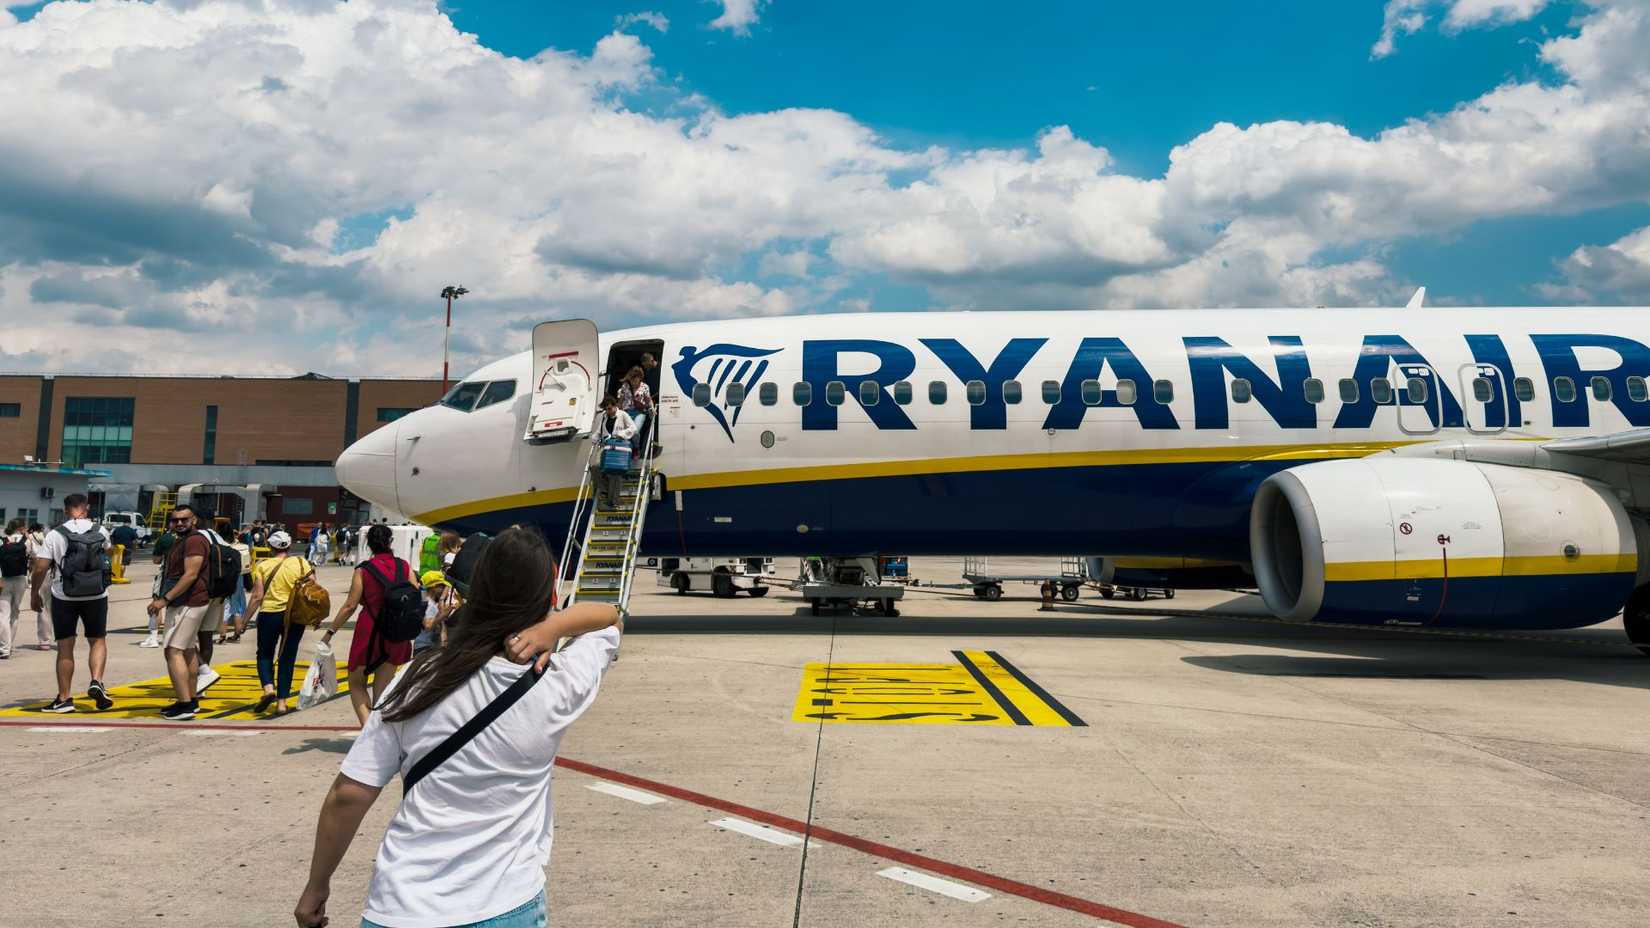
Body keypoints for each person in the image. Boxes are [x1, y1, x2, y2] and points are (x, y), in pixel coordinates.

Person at [293, 527, 622, 928]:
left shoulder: (418, 677)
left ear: (474, 592)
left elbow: (349, 794)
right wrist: (552, 628)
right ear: (546, 597)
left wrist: (317, 886)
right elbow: (610, 619)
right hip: (505, 904)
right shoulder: (557, 681)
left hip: (401, 906)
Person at [320, 524, 416, 727]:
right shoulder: (404, 566)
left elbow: (350, 605)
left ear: (368, 544)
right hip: (395, 631)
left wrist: (330, 632)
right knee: (382, 690)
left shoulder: (364, 570)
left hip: (370, 630)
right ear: (390, 542)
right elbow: (415, 594)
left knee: (356, 683)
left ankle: (368, 731)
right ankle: (382, 734)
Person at [29, 494, 114, 713]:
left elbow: (40, 567)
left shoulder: (56, 534)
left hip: (64, 595)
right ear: (86, 508)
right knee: (97, 640)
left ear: (66, 510)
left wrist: (35, 593)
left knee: (66, 647)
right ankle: (96, 680)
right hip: (97, 595)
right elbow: (109, 553)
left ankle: (65, 698)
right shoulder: (101, 531)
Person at [148, 504, 212, 720]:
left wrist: (164, 600)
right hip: (187, 602)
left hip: (190, 602)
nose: (179, 523)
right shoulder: (182, 541)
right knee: (187, 651)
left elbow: (190, 575)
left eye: (184, 519)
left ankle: (185, 704)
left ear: (194, 520)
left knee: (172, 651)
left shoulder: (194, 541)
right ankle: (190, 700)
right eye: (175, 520)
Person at [243, 530, 312, 715]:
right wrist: (315, 617)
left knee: (264, 654)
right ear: (289, 546)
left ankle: (268, 689)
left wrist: (244, 621)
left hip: (270, 614)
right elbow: (313, 590)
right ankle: (282, 703)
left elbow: (257, 596)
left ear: (269, 546)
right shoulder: (301, 562)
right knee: (287, 657)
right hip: (295, 616)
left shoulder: (263, 566)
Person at [1, 518, 46, 658]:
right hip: (21, 580)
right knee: (15, 613)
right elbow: (35, 558)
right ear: (22, 528)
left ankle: (4, 648)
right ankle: (9, 645)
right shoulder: (27, 541)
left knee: (3, 614)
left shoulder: (2, 540)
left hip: (4, 580)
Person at [589, 395, 635, 510]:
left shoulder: (623, 415)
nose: (608, 411)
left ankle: (613, 502)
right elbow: (600, 431)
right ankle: (604, 491)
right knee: (595, 467)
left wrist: (621, 434)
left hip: (618, 447)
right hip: (606, 447)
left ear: (615, 406)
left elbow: (633, 428)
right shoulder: (605, 417)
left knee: (615, 473)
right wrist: (594, 438)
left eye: (609, 409)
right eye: (606, 409)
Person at [617, 365, 655, 457]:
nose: (633, 381)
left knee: (635, 431)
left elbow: (648, 400)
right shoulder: (625, 386)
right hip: (626, 412)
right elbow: (620, 401)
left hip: (639, 412)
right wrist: (618, 414)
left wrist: (652, 408)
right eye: (631, 379)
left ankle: (636, 448)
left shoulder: (645, 387)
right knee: (626, 432)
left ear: (640, 377)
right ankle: (627, 450)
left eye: (635, 379)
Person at [412, 570, 452, 655]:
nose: (443, 589)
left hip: (426, 645)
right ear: (434, 587)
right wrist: (443, 615)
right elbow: (428, 625)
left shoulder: (428, 601)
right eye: (442, 586)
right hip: (423, 647)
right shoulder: (427, 603)